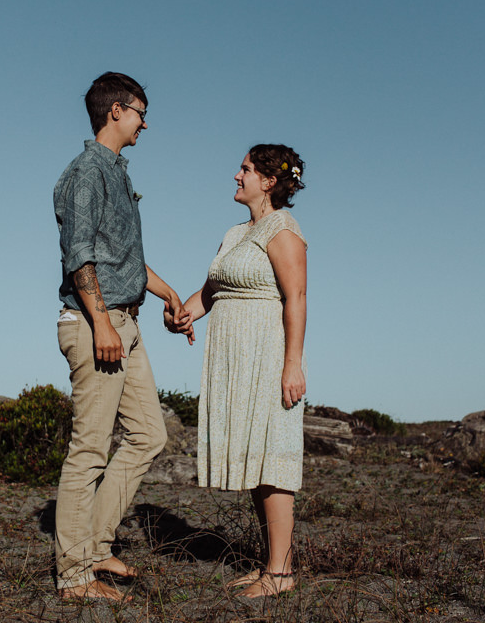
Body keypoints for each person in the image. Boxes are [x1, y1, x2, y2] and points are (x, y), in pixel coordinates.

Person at [52, 71, 189, 601]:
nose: (144, 122)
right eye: (139, 112)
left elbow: (122, 257)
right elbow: (79, 254)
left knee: (149, 435)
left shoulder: (115, 172)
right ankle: (73, 576)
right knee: (89, 448)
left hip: (123, 322)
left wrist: (168, 292)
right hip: (96, 324)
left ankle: (94, 544)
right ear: (116, 111)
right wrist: (103, 321)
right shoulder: (87, 172)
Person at [166, 143, 308, 598]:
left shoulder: (283, 230)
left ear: (269, 180)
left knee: (273, 457)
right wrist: (182, 314)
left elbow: (297, 299)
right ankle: (270, 564)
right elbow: (209, 293)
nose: (236, 175)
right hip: (232, 357)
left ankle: (281, 574)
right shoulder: (234, 233)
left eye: (244, 169)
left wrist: (292, 365)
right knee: (254, 457)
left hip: (265, 353)